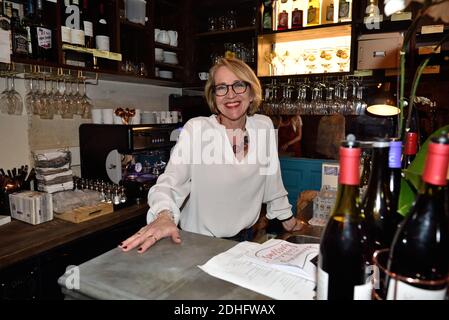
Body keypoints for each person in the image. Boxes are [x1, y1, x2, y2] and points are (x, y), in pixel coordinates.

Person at [120, 58, 304, 254]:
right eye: (221, 88)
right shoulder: (198, 129)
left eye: (239, 85)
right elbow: (170, 182)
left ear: (251, 93)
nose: (230, 95)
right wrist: (164, 215)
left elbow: (272, 181)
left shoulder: (263, 126)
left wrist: (287, 219)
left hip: (246, 242)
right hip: (199, 244)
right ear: (214, 97)